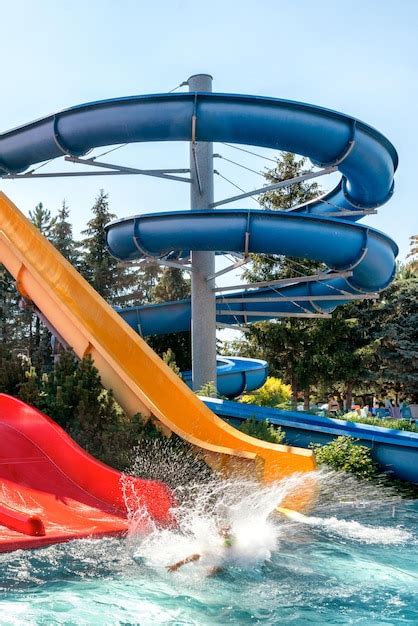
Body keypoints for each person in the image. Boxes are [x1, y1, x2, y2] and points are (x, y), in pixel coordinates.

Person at [166, 524, 234, 576]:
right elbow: (196, 556)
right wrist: (177, 565)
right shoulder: (214, 553)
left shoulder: (225, 548)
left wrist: (177, 565)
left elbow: (195, 556)